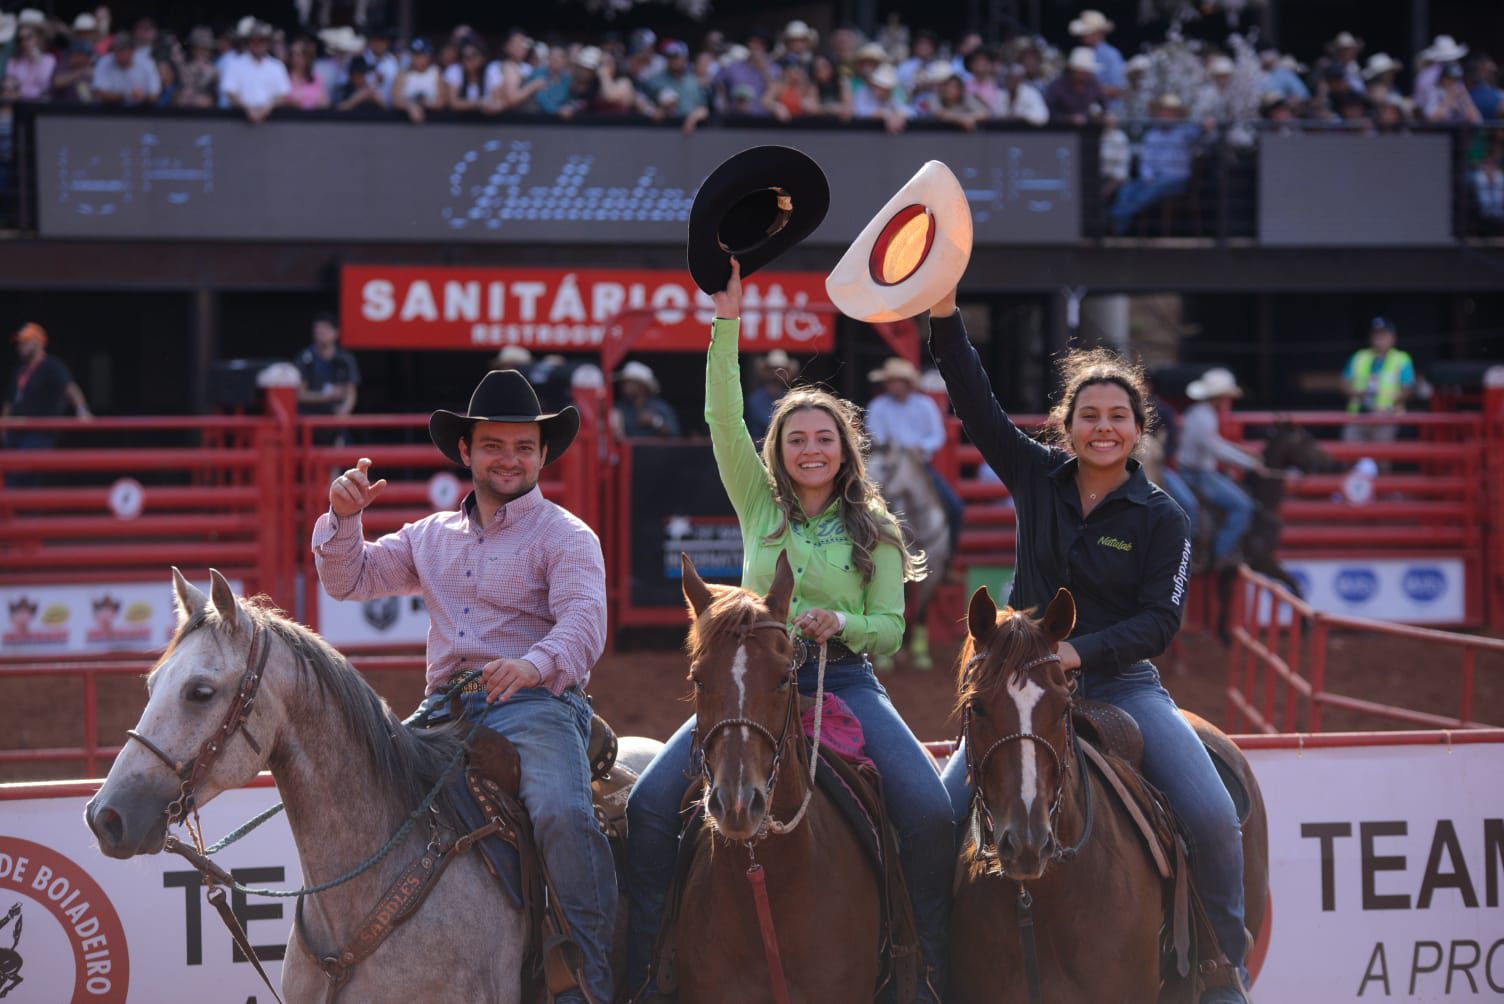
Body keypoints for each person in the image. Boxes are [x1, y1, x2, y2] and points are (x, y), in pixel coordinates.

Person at [626, 259, 953, 1002]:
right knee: (647, 810)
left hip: (843, 680)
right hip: (748, 685)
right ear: (778, 449)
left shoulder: (877, 529)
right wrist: (727, 320)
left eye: (824, 438)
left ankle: (923, 971)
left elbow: (893, 631)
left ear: (845, 450)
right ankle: (648, 972)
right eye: (797, 437)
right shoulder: (758, 503)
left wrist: (843, 622)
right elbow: (718, 417)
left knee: (931, 812)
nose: (810, 448)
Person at [927, 287, 1250, 1003]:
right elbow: (975, 404)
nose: (1103, 429)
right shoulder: (1034, 475)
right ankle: (921, 966)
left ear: (1139, 429)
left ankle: (1225, 967)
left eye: (1118, 418)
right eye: (1089, 417)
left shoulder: (1164, 517)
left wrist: (1077, 653)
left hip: (1123, 686)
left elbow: (1159, 623)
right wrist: (946, 316)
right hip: (1019, 687)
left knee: (1211, 814)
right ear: (1065, 426)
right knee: (933, 816)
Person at [311, 369, 614, 1004]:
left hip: (539, 706)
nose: (510, 460)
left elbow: (585, 622)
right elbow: (352, 579)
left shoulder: (566, 536)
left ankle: (589, 974)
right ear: (466, 452)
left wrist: (532, 665)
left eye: (524, 448)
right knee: (369, 797)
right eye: (496, 446)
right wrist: (342, 521)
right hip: (445, 711)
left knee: (562, 812)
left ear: (541, 455)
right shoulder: (429, 537)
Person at [1177, 367, 1276, 571]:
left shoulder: (1199, 414)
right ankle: (1219, 553)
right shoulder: (1203, 416)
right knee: (1242, 506)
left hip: (1197, 471)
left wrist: (1244, 453)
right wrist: (1250, 463)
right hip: (1198, 474)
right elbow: (1215, 448)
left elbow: (1216, 443)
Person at [866, 356, 964, 556]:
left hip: (919, 466)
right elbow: (875, 436)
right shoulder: (878, 405)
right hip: (889, 466)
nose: (892, 385)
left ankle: (948, 559)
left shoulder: (924, 405)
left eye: (896, 381)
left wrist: (920, 447)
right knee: (867, 508)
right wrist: (895, 448)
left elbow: (937, 436)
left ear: (907, 383)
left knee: (955, 508)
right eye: (890, 381)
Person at [4, 323, 93, 486]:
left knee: (21, 474)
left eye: (24, 342)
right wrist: (3, 424)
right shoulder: (20, 370)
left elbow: (71, 388)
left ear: (38, 343)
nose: (19, 347)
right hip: (16, 433)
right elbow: (10, 401)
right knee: (12, 476)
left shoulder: (52, 366)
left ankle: (29, 509)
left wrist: (82, 410)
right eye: (19, 343)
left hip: (40, 432)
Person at [1342, 316, 1415, 445]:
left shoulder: (1401, 359)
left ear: (1393, 337)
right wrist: (1356, 393)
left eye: (1383, 334)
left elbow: (1408, 388)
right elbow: (1344, 382)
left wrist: (1389, 406)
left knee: (1382, 460)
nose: (1378, 338)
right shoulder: (1360, 356)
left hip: (1386, 418)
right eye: (1375, 334)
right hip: (1359, 416)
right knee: (1350, 457)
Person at [294, 313, 359, 445]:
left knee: (340, 455)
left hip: (335, 420)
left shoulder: (345, 359)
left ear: (336, 333)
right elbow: (300, 394)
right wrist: (326, 395)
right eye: (318, 330)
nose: (321, 334)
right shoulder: (305, 358)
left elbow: (351, 393)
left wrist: (343, 414)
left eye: (325, 330)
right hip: (309, 421)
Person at [221, 23, 288, 123]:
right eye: (253, 40)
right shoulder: (235, 64)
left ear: (268, 43)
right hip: (238, 120)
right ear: (248, 42)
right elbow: (230, 92)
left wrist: (266, 109)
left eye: (261, 40)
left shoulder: (277, 66)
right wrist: (247, 109)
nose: (257, 44)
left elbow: (283, 95)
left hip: (271, 121)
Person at [611, 360, 680, 437]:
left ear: (642, 387)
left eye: (629, 383)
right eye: (624, 383)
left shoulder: (660, 407)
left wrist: (654, 420)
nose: (624, 386)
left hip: (655, 449)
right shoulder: (619, 407)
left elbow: (674, 434)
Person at [744, 348, 798, 442]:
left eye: (781, 370)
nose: (776, 374)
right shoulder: (754, 399)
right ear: (766, 372)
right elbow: (768, 423)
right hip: (759, 449)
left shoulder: (793, 399)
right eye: (772, 370)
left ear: (787, 373)